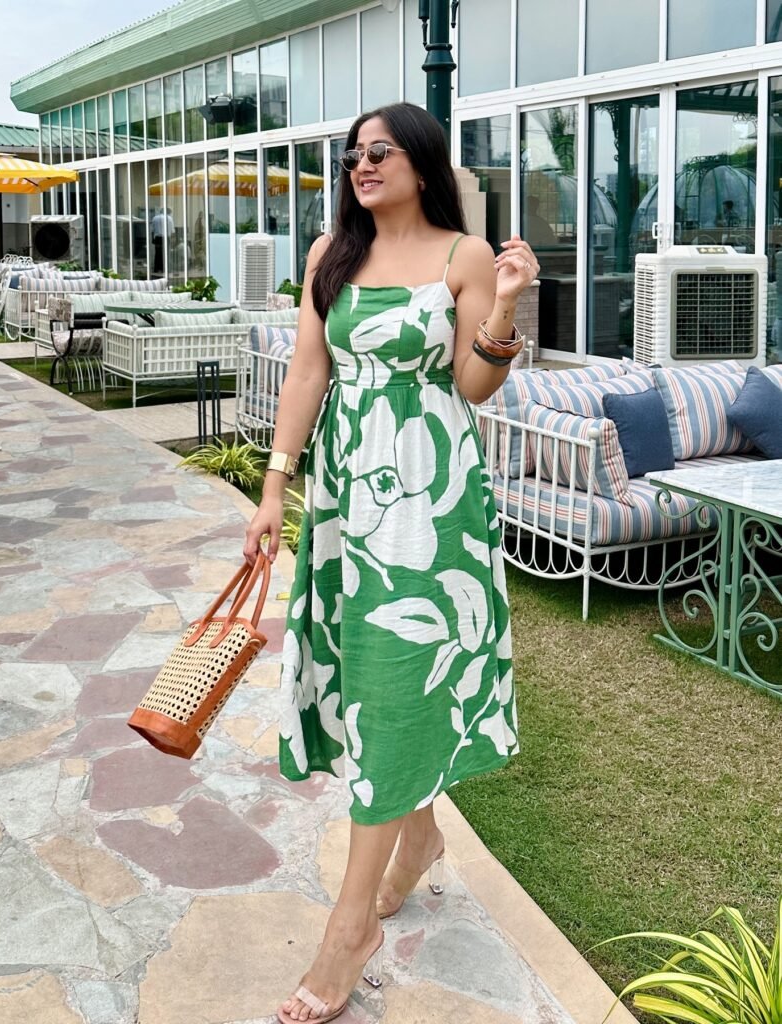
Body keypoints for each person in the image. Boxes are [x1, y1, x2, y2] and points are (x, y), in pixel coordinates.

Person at [244, 101, 539, 1024]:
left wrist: (502, 307)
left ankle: (347, 931)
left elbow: (472, 383)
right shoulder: (329, 258)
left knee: (397, 682)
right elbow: (306, 373)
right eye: (352, 154)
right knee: (363, 677)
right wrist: (273, 486)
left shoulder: (463, 254)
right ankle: (418, 846)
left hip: (428, 503)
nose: (361, 165)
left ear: (420, 161)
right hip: (345, 501)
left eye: (379, 152)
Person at [151, 205, 174, 274]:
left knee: (158, 253)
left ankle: (157, 269)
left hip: (158, 238)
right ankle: (166, 269)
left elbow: (152, 230)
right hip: (167, 238)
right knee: (166, 253)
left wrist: (153, 239)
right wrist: (172, 240)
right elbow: (172, 231)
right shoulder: (169, 218)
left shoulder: (155, 218)